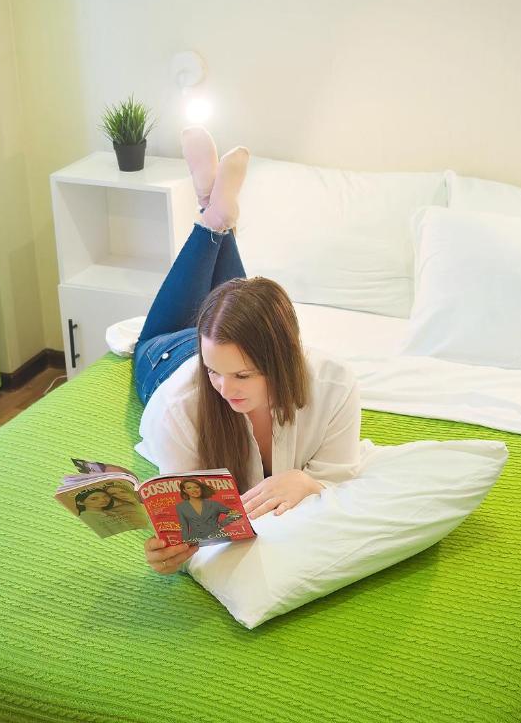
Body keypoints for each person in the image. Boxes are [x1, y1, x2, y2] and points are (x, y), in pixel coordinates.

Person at [137, 127, 361, 576]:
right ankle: (211, 215)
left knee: (239, 299)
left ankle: (213, 212)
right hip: (170, 359)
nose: (225, 390)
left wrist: (307, 480)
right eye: (218, 375)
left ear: (282, 361)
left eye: (243, 377)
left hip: (213, 343)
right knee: (172, 328)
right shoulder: (181, 406)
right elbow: (188, 524)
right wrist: (174, 556)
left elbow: (342, 478)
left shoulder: (334, 385)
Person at [174, 478, 239, 544]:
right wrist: (185, 543)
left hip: (218, 539)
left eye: (197, 487)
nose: (194, 490)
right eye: (189, 488)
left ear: (201, 488)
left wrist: (222, 524)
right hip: (196, 541)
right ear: (184, 490)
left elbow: (237, 514)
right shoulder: (181, 507)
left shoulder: (213, 504)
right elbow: (184, 526)